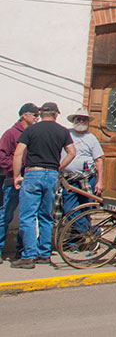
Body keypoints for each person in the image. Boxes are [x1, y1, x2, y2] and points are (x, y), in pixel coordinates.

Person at [11, 102, 75, 269]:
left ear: (41, 114)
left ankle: (28, 256)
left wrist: (17, 175)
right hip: (51, 175)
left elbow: (18, 153)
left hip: (33, 173)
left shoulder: (30, 130)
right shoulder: (63, 131)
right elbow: (72, 152)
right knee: (46, 216)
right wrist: (59, 167)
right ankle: (44, 254)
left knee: (28, 216)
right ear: (56, 114)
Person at [0, 103, 39, 260]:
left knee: (28, 217)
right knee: (6, 215)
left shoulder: (33, 133)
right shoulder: (10, 134)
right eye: (35, 115)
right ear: (25, 115)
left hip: (30, 179)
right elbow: (2, 157)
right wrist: (17, 169)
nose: (37, 118)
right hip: (13, 180)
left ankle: (21, 249)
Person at [61, 108, 105, 232]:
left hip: (87, 178)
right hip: (68, 178)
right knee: (69, 209)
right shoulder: (66, 134)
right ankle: (91, 232)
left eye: (84, 119)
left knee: (85, 209)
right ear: (74, 120)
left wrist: (99, 181)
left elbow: (99, 160)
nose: (81, 121)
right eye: (78, 119)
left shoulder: (91, 138)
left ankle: (79, 239)